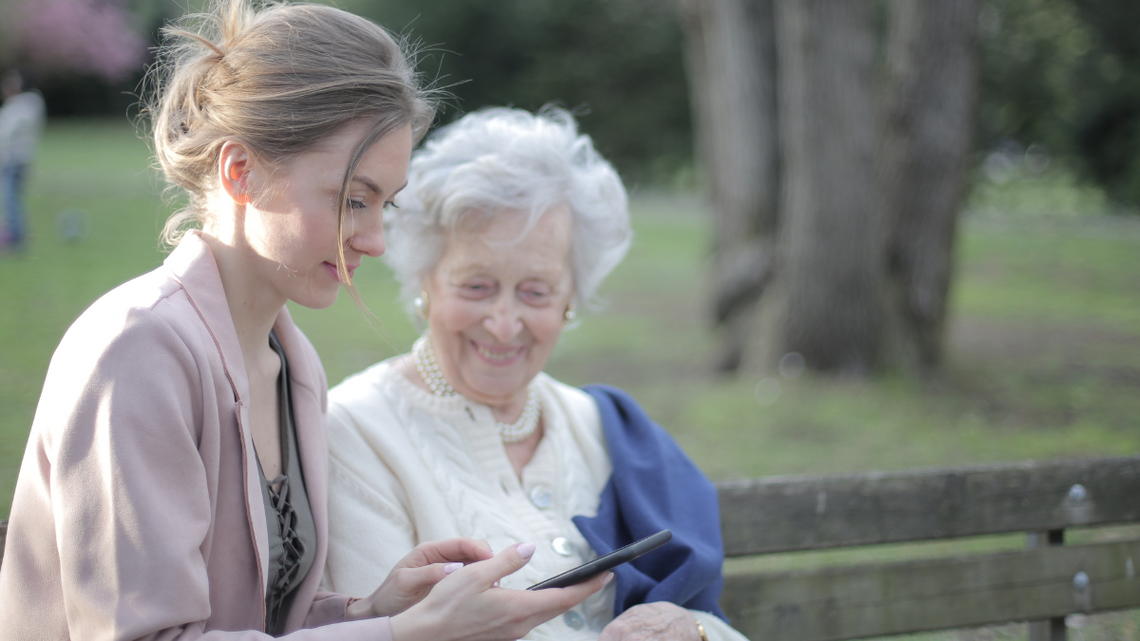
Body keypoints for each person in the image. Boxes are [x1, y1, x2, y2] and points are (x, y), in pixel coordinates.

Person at [0, 4, 606, 640]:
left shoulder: (294, 364)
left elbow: (263, 622)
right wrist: (404, 637)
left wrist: (376, 609)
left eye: (385, 204)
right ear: (241, 172)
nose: (374, 238)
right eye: (352, 199)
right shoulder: (136, 352)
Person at [322, 108, 751, 641]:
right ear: (425, 281)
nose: (504, 325)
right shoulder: (353, 432)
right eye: (476, 286)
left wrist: (694, 631)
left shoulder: (604, 425)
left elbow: (710, 618)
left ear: (571, 298)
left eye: (536, 291)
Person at [0, 65, 46, 252]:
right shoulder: (22, 104)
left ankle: (16, 237)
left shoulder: (25, 104)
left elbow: (7, 132)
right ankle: (14, 234)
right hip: (17, 159)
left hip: (16, 160)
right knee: (11, 198)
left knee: (11, 199)